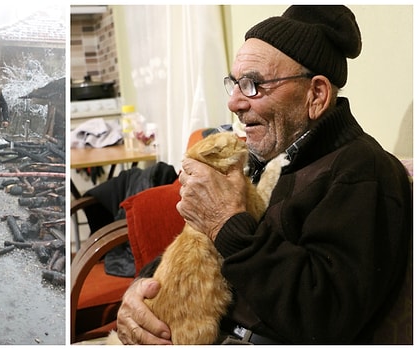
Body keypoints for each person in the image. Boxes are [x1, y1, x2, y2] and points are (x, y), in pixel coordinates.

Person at [115, 5, 412, 345]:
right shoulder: (268, 158)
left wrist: (227, 224)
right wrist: (142, 291)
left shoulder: (361, 172)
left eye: (253, 84)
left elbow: (324, 315)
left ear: (316, 94)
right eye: (235, 84)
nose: (234, 103)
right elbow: (197, 250)